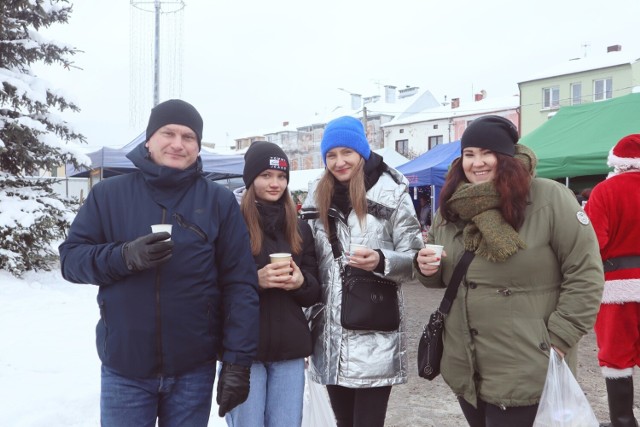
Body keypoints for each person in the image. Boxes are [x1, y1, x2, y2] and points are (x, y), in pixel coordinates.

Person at [59, 99, 260, 426]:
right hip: (125, 367)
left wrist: (238, 364)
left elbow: (240, 284)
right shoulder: (108, 195)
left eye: (189, 137)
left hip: (193, 370)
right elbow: (71, 260)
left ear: (198, 147)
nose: (178, 144)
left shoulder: (218, 200)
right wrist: (123, 256)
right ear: (149, 139)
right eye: (168, 133)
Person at [415, 115, 604, 427]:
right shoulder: (451, 207)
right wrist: (425, 268)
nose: (477, 163)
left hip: (529, 362)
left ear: (507, 156)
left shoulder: (549, 198)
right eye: (469, 154)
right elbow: (440, 276)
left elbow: (585, 273)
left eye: (487, 153)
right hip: (467, 365)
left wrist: (558, 339)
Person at [300, 116, 424, 427]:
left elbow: (415, 261)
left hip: (374, 333)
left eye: (347, 153)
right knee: (343, 422)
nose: (339, 162)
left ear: (362, 153)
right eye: (331, 155)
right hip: (328, 335)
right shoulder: (316, 196)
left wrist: (382, 260)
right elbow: (309, 263)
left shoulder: (391, 193)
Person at [227, 141, 321, 426]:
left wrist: (301, 282)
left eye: (281, 176)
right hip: (244, 349)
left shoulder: (300, 227)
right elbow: (215, 285)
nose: (275, 183)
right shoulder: (231, 224)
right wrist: (255, 280)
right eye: (266, 175)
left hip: (289, 350)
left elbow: (315, 290)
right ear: (250, 178)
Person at [584, 134, 640, 427]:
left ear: (617, 162)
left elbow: (595, 242)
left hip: (617, 287)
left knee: (616, 357)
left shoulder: (604, 191)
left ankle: (623, 422)